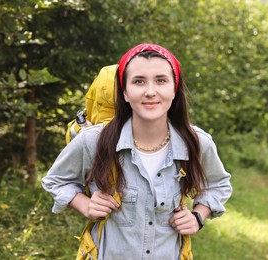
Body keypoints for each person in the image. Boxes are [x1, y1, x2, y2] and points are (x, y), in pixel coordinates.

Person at [42, 43, 232, 259]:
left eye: (161, 80)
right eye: (139, 81)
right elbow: (56, 180)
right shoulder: (94, 141)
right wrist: (85, 204)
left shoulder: (196, 143)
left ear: (174, 89)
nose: (150, 92)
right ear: (124, 92)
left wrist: (198, 216)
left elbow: (218, 184)